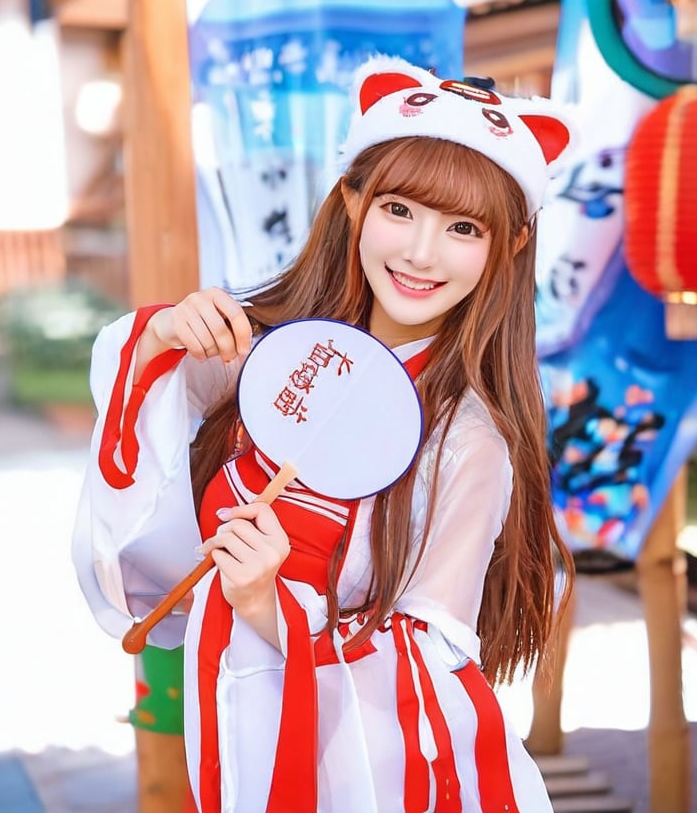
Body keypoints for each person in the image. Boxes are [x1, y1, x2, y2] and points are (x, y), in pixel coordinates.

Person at [73, 55, 577, 813]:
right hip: (230, 708)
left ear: (507, 245)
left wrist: (266, 607)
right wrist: (165, 340)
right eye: (399, 210)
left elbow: (430, 656)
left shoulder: (470, 438)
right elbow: (154, 407)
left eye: (463, 227)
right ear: (350, 200)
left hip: (353, 767)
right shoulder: (273, 353)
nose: (419, 253)